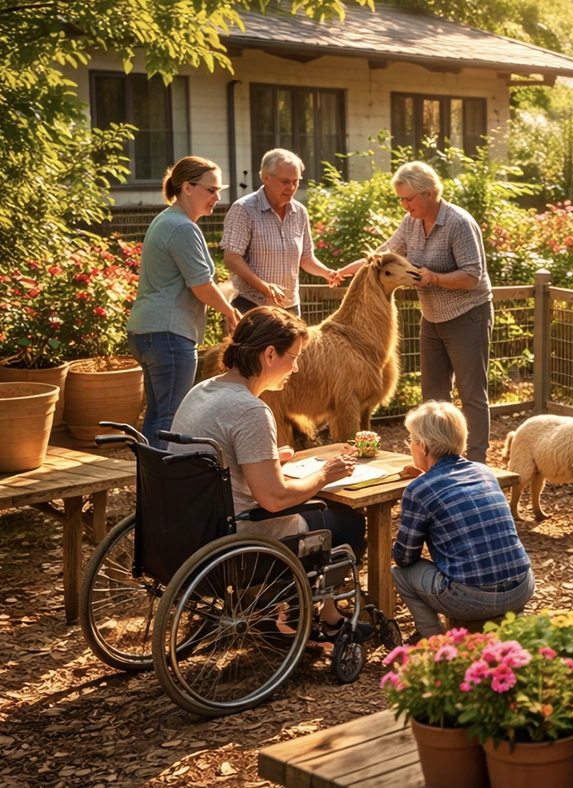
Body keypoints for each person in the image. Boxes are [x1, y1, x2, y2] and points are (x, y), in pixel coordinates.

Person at [169, 306, 370, 640]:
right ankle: (319, 616)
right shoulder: (250, 409)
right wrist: (325, 475)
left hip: (188, 526)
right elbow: (274, 499)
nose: (297, 367)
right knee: (348, 521)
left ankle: (292, 607)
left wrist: (267, 458)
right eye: (294, 357)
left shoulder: (201, 391)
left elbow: (221, 455)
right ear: (270, 354)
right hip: (237, 534)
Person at [374, 161, 494, 464]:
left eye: (408, 198)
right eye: (401, 199)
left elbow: (472, 276)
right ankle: (440, 460)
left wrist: (435, 278)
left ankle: (476, 463)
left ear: (429, 193)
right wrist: (346, 271)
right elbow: (386, 253)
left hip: (467, 314)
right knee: (433, 395)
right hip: (432, 317)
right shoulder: (411, 222)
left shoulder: (458, 223)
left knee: (471, 394)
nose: (404, 205)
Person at [391, 401, 535, 639]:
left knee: (401, 574)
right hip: (521, 587)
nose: (410, 446)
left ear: (423, 447)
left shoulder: (419, 490)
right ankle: (510, 628)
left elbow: (405, 557)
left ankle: (436, 642)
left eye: (411, 440)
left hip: (472, 598)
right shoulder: (485, 472)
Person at [128, 156, 241, 450]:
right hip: (169, 335)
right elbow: (202, 286)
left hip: (148, 332)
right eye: (211, 190)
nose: (217, 197)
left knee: (158, 415)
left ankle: (151, 477)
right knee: (169, 418)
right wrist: (230, 312)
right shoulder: (182, 227)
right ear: (187, 188)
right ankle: (161, 479)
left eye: (219, 190)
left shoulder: (167, 220)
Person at [222, 149, 348, 318]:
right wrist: (264, 287)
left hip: (290, 307)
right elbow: (232, 258)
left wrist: (328, 273)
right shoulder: (244, 209)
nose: (292, 188)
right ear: (265, 177)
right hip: (251, 306)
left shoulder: (300, 212)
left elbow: (306, 258)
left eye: (296, 182)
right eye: (285, 182)